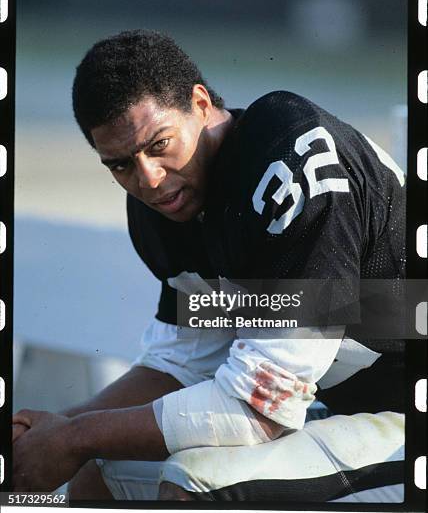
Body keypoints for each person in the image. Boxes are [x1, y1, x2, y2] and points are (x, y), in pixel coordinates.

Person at [13, 30, 406, 502]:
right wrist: (59, 429)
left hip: (406, 415)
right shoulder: (169, 205)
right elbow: (183, 362)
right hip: (347, 408)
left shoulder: (287, 164)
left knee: (195, 483)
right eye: (119, 164)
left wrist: (74, 437)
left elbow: (258, 408)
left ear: (200, 103)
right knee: (101, 469)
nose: (149, 179)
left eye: (159, 144)